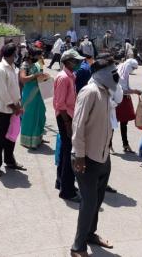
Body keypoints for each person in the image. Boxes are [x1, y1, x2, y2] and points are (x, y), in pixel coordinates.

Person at [70, 56, 118, 257]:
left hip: (103, 156)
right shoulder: (89, 92)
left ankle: (90, 234)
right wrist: (79, 156)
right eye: (112, 69)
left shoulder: (106, 92)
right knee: (88, 202)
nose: (116, 73)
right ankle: (77, 247)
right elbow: (78, 126)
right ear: (101, 73)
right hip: (86, 158)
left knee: (97, 200)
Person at [0, 43, 26, 177]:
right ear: (11, 54)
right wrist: (14, 107)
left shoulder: (12, 67)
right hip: (3, 109)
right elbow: (2, 92)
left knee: (11, 136)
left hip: (13, 108)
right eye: (16, 53)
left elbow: (15, 87)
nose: (17, 55)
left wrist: (18, 103)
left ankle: (10, 161)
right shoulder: (0, 69)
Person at [54, 50, 84, 202]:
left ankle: (61, 182)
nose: (78, 63)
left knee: (66, 152)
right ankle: (67, 190)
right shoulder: (63, 78)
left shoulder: (71, 76)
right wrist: (67, 124)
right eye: (75, 61)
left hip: (69, 117)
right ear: (67, 62)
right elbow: (60, 104)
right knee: (68, 154)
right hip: (65, 118)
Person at [19, 47, 47, 149]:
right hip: (30, 94)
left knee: (40, 114)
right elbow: (23, 79)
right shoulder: (25, 64)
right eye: (38, 55)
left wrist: (44, 77)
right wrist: (35, 75)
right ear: (31, 55)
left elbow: (40, 73)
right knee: (30, 116)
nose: (40, 57)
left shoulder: (39, 63)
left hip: (39, 93)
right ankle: (28, 141)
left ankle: (38, 137)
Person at [115, 59, 142, 153]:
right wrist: (134, 91)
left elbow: (127, 87)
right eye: (133, 68)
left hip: (125, 100)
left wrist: (134, 91)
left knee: (124, 123)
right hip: (118, 101)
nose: (133, 70)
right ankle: (109, 145)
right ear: (129, 66)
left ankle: (125, 144)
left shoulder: (125, 72)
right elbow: (121, 91)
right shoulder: (120, 73)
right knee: (113, 123)